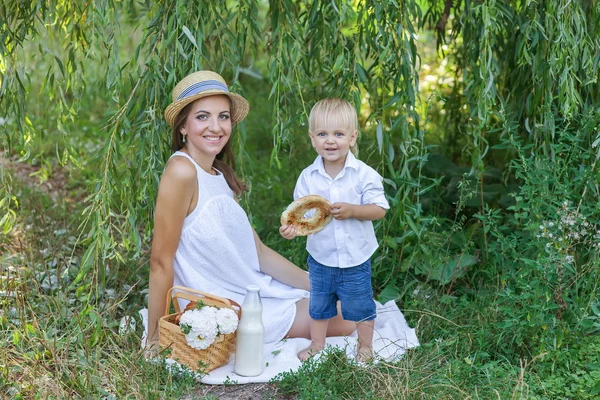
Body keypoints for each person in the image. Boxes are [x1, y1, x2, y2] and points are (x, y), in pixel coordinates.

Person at [146, 71, 355, 355]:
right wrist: (155, 338)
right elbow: (161, 260)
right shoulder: (182, 172)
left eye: (223, 117)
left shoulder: (219, 175)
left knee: (350, 301)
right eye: (203, 117)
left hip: (250, 291)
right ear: (183, 126)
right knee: (349, 317)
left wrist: (315, 282)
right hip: (220, 306)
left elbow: (258, 252)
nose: (216, 127)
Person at [279, 98, 389, 362]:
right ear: (312, 139)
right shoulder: (308, 177)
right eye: (322, 134)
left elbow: (379, 209)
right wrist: (292, 229)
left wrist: (353, 211)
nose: (330, 141)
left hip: (355, 257)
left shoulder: (363, 174)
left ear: (352, 138)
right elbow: (301, 214)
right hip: (321, 257)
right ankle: (317, 345)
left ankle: (365, 346)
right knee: (319, 305)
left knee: (360, 304)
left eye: (338, 134)